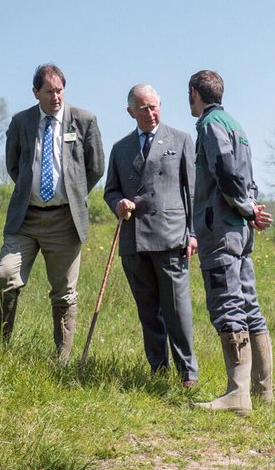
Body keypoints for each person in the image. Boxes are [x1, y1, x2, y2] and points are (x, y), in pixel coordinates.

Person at [0, 64, 105, 363]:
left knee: (64, 293)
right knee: (5, 276)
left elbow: (95, 167)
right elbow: (14, 165)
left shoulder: (84, 120)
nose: (56, 97)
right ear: (35, 93)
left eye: (59, 90)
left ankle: (61, 361)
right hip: (25, 219)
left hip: (65, 220)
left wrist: (73, 191)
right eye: (49, 91)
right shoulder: (20, 121)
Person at [188, 70, 274, 415]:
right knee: (249, 305)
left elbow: (225, 171)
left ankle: (238, 394)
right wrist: (251, 209)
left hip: (221, 229)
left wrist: (245, 207)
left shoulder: (211, 125)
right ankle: (263, 393)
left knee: (228, 305)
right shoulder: (236, 125)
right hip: (239, 229)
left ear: (194, 92)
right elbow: (247, 177)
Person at [102, 84, 198, 387]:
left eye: (154, 106)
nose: (150, 113)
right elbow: (110, 190)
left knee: (177, 310)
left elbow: (193, 191)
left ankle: (187, 374)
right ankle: (159, 371)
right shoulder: (120, 148)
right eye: (143, 108)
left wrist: (193, 233)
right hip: (134, 241)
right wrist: (118, 203)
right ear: (131, 112)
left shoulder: (181, 140)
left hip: (171, 238)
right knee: (148, 312)